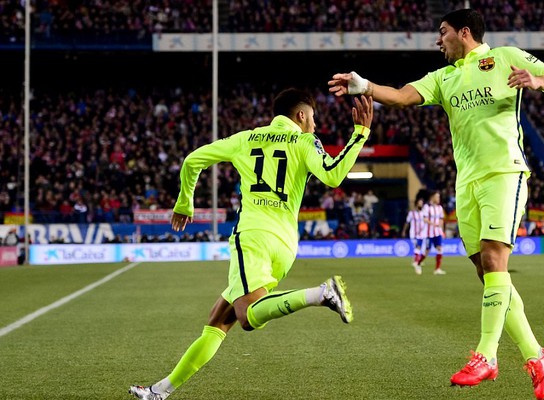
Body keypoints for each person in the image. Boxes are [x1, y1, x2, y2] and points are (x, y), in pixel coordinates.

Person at [328, 8, 544, 400]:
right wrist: (365, 85)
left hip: (504, 173)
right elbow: (404, 96)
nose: (438, 40)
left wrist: (537, 80)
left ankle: (486, 356)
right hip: (467, 184)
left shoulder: (505, 56)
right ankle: (536, 354)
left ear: (464, 32)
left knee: (495, 261)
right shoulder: (444, 77)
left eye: (443, 33)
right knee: (488, 275)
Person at [129, 88, 374, 400]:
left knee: (247, 316)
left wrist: (184, 203)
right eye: (312, 118)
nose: (314, 125)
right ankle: (160, 390)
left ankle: (321, 293)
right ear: (300, 116)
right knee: (219, 319)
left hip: (253, 236)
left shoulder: (247, 138)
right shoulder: (304, 142)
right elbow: (333, 175)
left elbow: (193, 160)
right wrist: (361, 132)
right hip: (285, 246)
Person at [401, 197, 427, 275]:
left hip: (422, 233)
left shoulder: (424, 213)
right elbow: (407, 222)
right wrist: (404, 231)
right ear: (416, 204)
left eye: (422, 203)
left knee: (420, 248)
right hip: (414, 233)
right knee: (417, 247)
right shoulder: (411, 213)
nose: (421, 204)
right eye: (420, 203)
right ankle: (416, 261)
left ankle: (416, 260)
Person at [424, 190, 446, 275]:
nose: (438, 198)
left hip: (437, 232)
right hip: (429, 233)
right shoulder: (427, 207)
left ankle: (437, 269)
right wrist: (433, 224)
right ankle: (418, 262)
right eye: (437, 196)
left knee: (440, 249)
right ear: (432, 197)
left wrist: (442, 230)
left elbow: (441, 220)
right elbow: (425, 219)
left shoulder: (440, 208)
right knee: (427, 250)